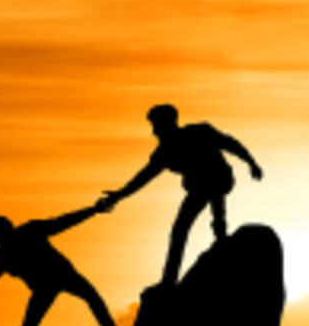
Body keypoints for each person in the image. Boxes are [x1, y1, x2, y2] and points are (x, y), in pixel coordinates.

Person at [99, 105, 263, 286]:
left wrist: (251, 163)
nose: (153, 131)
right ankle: (170, 278)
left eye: (156, 125)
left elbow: (231, 144)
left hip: (219, 179)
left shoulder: (200, 132)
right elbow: (142, 178)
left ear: (168, 124)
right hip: (199, 187)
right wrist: (119, 195)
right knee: (180, 228)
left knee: (208, 194)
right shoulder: (164, 153)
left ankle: (219, 236)